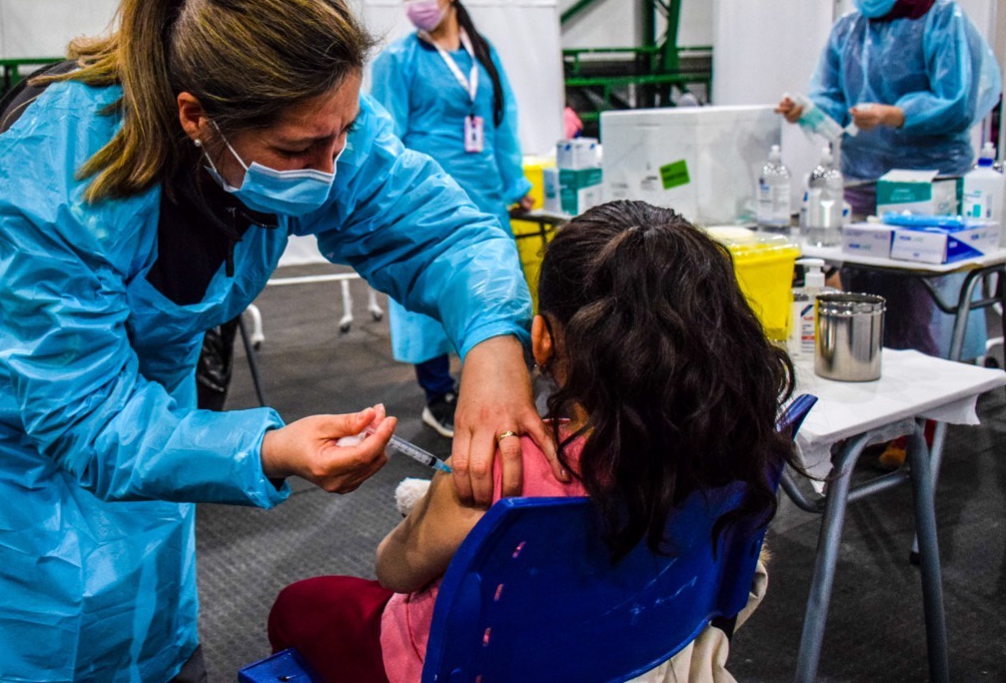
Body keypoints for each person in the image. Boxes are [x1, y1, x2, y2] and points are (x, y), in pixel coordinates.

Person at [0, 0, 564, 682]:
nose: (333, 165)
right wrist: (266, 451)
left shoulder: (316, 117)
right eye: (301, 149)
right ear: (195, 118)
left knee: (148, 571)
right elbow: (84, 418)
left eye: (341, 134)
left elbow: (443, 233)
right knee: (43, 596)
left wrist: (494, 346)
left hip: (144, 356)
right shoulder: (56, 176)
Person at [268, 200, 797, 682]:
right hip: (643, 640)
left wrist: (435, 499)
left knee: (298, 603)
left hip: (474, 665)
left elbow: (394, 569)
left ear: (541, 339)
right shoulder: (737, 446)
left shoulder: (502, 472)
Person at [776, 0, 1001, 466]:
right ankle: (866, 411)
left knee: (918, 303)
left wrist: (897, 113)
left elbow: (959, 98)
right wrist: (805, 110)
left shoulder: (944, 21)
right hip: (861, 178)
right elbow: (833, 103)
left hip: (927, 185)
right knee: (857, 296)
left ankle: (921, 423)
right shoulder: (848, 30)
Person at [370, 0, 534, 437]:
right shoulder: (399, 60)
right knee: (430, 297)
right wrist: (390, 198)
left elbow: (502, 125)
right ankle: (437, 393)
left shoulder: (483, 55)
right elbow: (386, 135)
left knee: (492, 288)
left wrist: (516, 184)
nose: (412, 3)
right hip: (425, 200)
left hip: (484, 195)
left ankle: (487, 382)